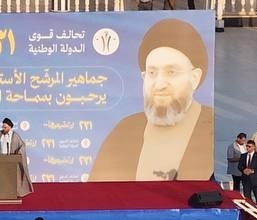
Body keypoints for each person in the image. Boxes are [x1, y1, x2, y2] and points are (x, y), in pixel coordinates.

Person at [90, 21, 215, 181]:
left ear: (194, 78)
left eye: (171, 72)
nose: (160, 84)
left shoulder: (209, 125)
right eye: (152, 72)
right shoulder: (124, 131)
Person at [0, 119, 32, 203]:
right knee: (0, 178)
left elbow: (22, 145)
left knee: (14, 178)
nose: (3, 128)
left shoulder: (15, 136)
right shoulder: (0, 133)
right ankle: (1, 194)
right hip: (1, 161)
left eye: (5, 127)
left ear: (10, 127)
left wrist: (18, 152)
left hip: (12, 162)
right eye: (3, 126)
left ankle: (13, 194)